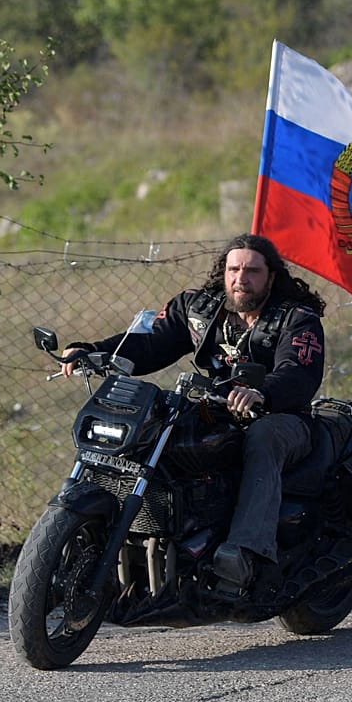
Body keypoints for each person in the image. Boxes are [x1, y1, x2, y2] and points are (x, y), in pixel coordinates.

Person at [57, 233, 327, 595]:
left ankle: (244, 551)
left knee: (263, 438)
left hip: (282, 416)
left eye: (252, 271)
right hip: (215, 407)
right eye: (234, 269)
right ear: (223, 272)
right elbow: (151, 342)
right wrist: (91, 350)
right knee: (160, 428)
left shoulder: (295, 318)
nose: (241, 279)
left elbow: (298, 372)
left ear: (271, 276)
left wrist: (261, 392)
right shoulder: (199, 309)